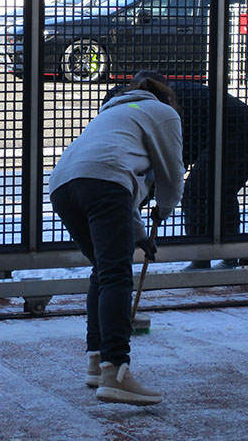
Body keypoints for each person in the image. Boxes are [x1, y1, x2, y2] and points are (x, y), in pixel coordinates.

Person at [49, 70, 184, 406]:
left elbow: (115, 177)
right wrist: (162, 213)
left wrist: (139, 236)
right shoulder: (163, 113)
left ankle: (97, 362)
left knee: (103, 269)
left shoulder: (112, 112)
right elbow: (171, 175)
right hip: (105, 183)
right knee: (116, 275)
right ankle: (117, 371)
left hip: (64, 186)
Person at [174, 81, 248, 268]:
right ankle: (229, 254)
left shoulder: (163, 106)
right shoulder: (168, 97)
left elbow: (177, 156)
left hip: (236, 133)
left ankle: (201, 256)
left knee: (195, 193)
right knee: (223, 191)